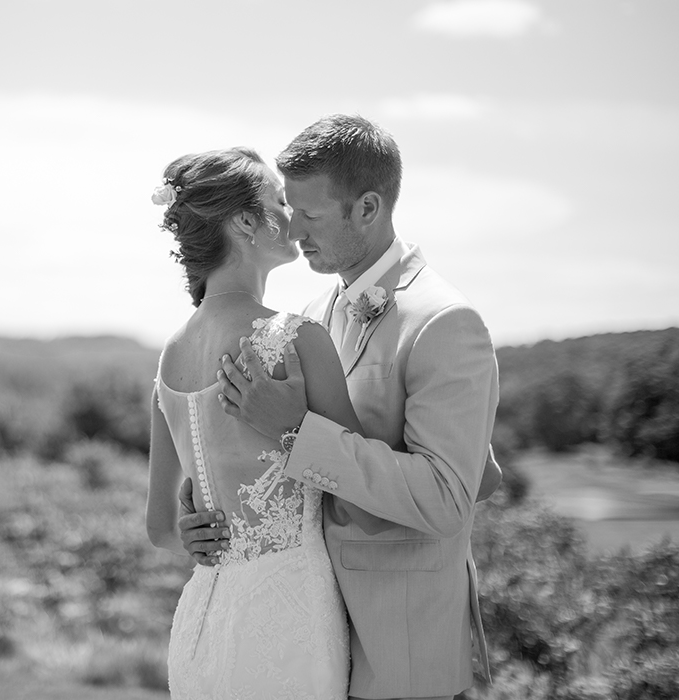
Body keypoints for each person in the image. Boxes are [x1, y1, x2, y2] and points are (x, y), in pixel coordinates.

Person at [179, 115, 502, 700]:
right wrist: (203, 512)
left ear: (368, 208)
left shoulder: (444, 322)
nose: (290, 226)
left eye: (310, 214)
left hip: (400, 652)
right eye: (287, 206)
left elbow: (454, 493)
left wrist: (295, 434)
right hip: (305, 636)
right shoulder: (311, 313)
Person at [146, 147, 361, 698]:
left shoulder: (170, 356)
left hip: (203, 623)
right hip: (289, 621)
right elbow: (363, 486)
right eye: (281, 201)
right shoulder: (295, 339)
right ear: (246, 221)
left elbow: (160, 529)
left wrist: (190, 535)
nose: (294, 214)